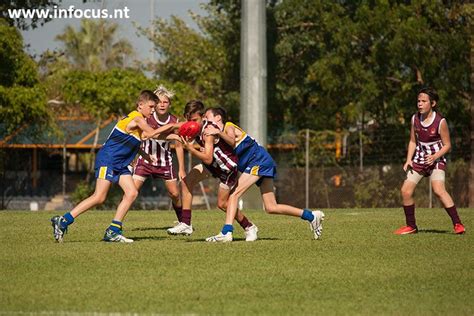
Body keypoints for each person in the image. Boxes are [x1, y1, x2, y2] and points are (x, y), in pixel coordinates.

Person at [51, 90, 180, 243]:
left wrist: (165, 142)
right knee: (99, 197)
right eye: (151, 107)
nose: (153, 110)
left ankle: (113, 230)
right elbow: (152, 133)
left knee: (131, 193)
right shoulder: (137, 118)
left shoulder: (140, 124)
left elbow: (147, 137)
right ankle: (64, 220)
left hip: (121, 163)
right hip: (109, 160)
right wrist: (175, 126)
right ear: (140, 105)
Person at [203, 107, 325, 242]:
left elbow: (232, 141)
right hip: (259, 162)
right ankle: (312, 216)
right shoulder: (218, 136)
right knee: (271, 207)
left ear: (218, 118)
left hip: (258, 160)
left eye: (207, 117)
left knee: (234, 195)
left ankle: (227, 232)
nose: (205, 120)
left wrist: (218, 132)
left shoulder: (228, 127)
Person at [167, 100, 259, 241]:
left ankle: (249, 226)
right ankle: (186, 223)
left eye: (195, 120)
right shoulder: (193, 125)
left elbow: (208, 158)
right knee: (186, 183)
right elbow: (172, 126)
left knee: (222, 204)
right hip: (212, 165)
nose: (192, 123)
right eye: (189, 120)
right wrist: (149, 134)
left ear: (203, 117)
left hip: (226, 168)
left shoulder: (208, 132)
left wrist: (191, 148)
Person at [395, 87, 465, 235]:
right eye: (418, 101)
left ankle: (458, 224)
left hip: (436, 160)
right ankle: (411, 226)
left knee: (438, 190)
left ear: (432, 103)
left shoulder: (440, 121)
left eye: (424, 101)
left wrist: (434, 157)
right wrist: (408, 160)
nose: (420, 104)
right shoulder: (414, 119)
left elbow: (447, 145)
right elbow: (413, 142)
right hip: (419, 159)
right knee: (405, 191)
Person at [133, 85, 185, 223]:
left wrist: (181, 168)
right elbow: (142, 136)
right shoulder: (146, 117)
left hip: (165, 162)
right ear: (154, 104)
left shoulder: (175, 121)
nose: (162, 105)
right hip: (145, 161)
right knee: (131, 192)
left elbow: (178, 144)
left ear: (170, 104)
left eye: (165, 102)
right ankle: (117, 225)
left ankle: (183, 223)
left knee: (174, 194)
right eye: (159, 102)